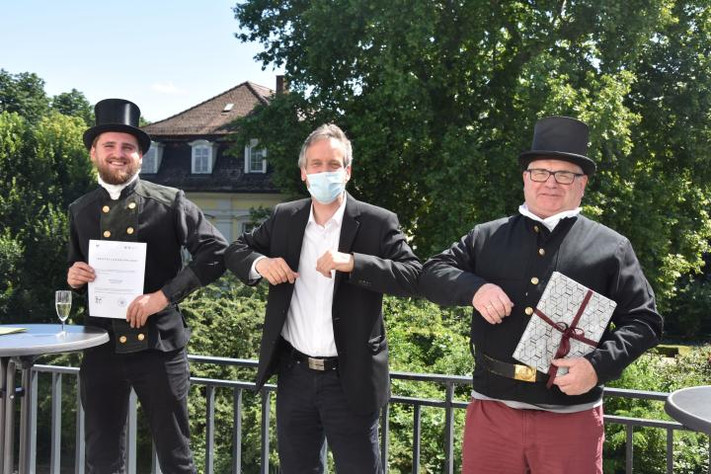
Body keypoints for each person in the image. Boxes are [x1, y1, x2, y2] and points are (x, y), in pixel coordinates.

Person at [419, 116, 663, 474]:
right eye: (540, 172)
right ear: (525, 178)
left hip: (571, 418)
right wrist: (475, 288)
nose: (550, 183)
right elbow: (431, 273)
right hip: (491, 411)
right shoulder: (485, 236)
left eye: (564, 174)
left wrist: (596, 367)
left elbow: (645, 322)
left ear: (582, 184)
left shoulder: (612, 248)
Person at [225, 124, 421, 473]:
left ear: (347, 171)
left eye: (333, 164)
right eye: (316, 164)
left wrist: (354, 263)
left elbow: (413, 276)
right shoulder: (286, 217)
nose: (324, 172)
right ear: (304, 173)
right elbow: (236, 250)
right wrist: (261, 263)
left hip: (351, 378)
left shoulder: (377, 222)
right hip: (295, 374)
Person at [66, 98, 228, 473]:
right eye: (109, 145)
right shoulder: (79, 209)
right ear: (94, 152)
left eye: (128, 148)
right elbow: (76, 269)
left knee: (175, 457)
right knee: (101, 457)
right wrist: (75, 277)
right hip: (100, 346)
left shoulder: (171, 203)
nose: (118, 154)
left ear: (140, 156)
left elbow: (216, 253)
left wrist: (163, 296)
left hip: (159, 347)